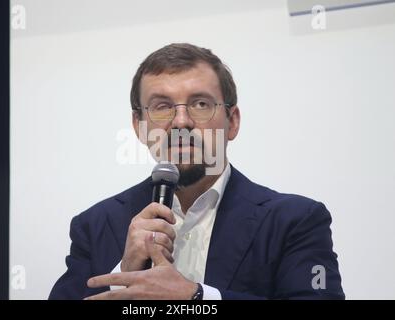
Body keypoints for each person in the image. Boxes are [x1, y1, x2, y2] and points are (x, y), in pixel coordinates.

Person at [49, 43, 344, 300]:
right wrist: (123, 276)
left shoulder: (295, 221)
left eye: (200, 104)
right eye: (162, 106)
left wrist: (198, 298)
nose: (180, 122)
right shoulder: (96, 225)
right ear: (139, 126)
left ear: (233, 121)